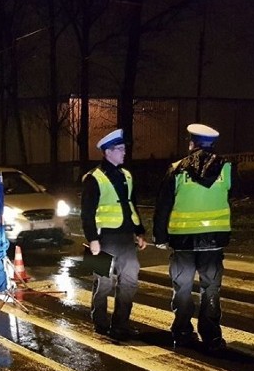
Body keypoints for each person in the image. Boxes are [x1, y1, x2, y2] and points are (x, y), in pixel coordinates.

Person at [152, 123, 238, 353]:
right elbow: (231, 196)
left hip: (182, 241)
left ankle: (181, 332)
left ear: (192, 143)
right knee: (211, 289)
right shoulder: (227, 169)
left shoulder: (176, 169)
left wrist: (160, 236)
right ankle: (211, 336)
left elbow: (163, 206)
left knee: (182, 287)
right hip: (213, 241)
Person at [80, 128, 148, 341]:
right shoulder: (93, 178)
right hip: (103, 239)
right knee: (104, 283)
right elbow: (87, 212)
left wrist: (139, 232)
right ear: (108, 151)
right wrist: (92, 239)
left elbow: (131, 205)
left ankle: (121, 324)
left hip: (126, 238)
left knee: (129, 281)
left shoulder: (126, 175)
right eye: (120, 149)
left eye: (124, 148)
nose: (124, 152)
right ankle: (100, 322)